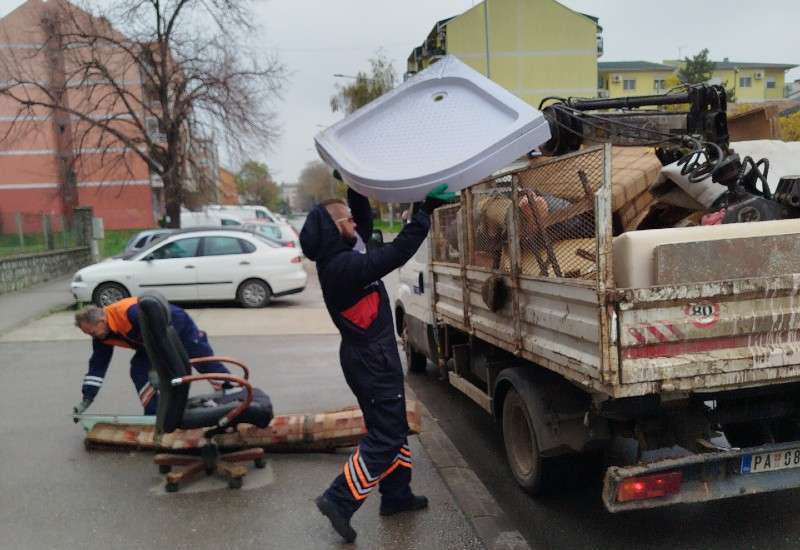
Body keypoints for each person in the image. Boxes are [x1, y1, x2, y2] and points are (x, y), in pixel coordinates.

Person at [300, 179, 454, 543]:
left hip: (369, 359)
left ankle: (397, 496)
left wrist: (355, 183)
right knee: (387, 435)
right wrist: (424, 213)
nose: (357, 223)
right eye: (348, 220)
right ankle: (339, 499)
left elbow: (364, 222)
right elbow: (397, 253)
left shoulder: (343, 255)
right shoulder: (341, 268)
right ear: (335, 229)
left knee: (391, 427)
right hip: (371, 362)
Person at [72, 297, 230, 418]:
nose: (93, 337)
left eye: (92, 332)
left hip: (177, 324)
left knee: (204, 362)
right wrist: (88, 397)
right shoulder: (102, 334)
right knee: (139, 370)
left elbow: (159, 338)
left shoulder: (129, 314)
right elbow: (97, 365)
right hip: (150, 341)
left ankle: (233, 394)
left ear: (101, 321)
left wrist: (156, 367)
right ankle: (154, 415)